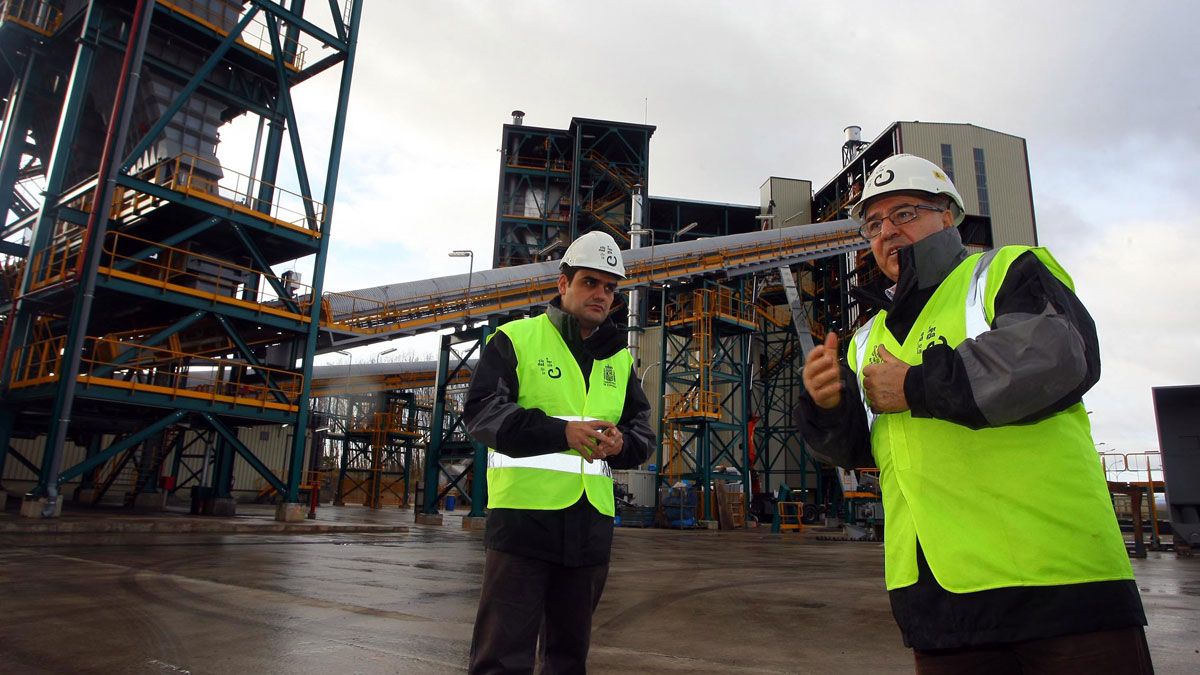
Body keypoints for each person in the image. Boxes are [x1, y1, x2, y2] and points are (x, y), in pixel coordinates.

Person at [795, 154, 1152, 673]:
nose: (887, 231)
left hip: (1056, 581)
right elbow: (856, 448)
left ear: (949, 216)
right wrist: (826, 406)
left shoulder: (1005, 272)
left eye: (906, 213)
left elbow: (1056, 355)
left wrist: (916, 384)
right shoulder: (867, 336)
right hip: (938, 596)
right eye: (874, 224)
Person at [464, 230, 654, 674]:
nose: (601, 295)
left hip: (590, 527)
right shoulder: (515, 339)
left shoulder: (619, 361)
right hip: (524, 520)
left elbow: (642, 433)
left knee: (568, 658)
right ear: (563, 283)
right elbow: (482, 412)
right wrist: (561, 433)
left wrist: (622, 443)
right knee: (502, 656)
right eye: (590, 282)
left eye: (610, 288)